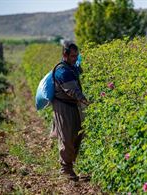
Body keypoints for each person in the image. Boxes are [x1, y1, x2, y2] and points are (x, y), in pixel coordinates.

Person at [52, 42, 90, 181]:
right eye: (73, 56)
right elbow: (72, 90)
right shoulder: (62, 71)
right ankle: (65, 170)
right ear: (64, 55)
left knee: (76, 134)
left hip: (72, 105)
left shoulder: (71, 67)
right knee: (67, 137)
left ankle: (69, 168)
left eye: (76, 56)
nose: (75, 58)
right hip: (63, 106)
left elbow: (79, 73)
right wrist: (86, 101)